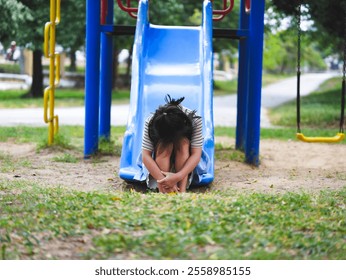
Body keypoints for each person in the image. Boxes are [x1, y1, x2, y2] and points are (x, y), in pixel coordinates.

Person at [142, 95, 203, 193]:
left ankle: (182, 190)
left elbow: (196, 154)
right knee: (164, 146)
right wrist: (164, 181)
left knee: (183, 143)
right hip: (158, 165)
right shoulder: (152, 122)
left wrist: (177, 176)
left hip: (186, 164)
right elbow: (146, 156)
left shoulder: (194, 120)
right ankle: (165, 190)